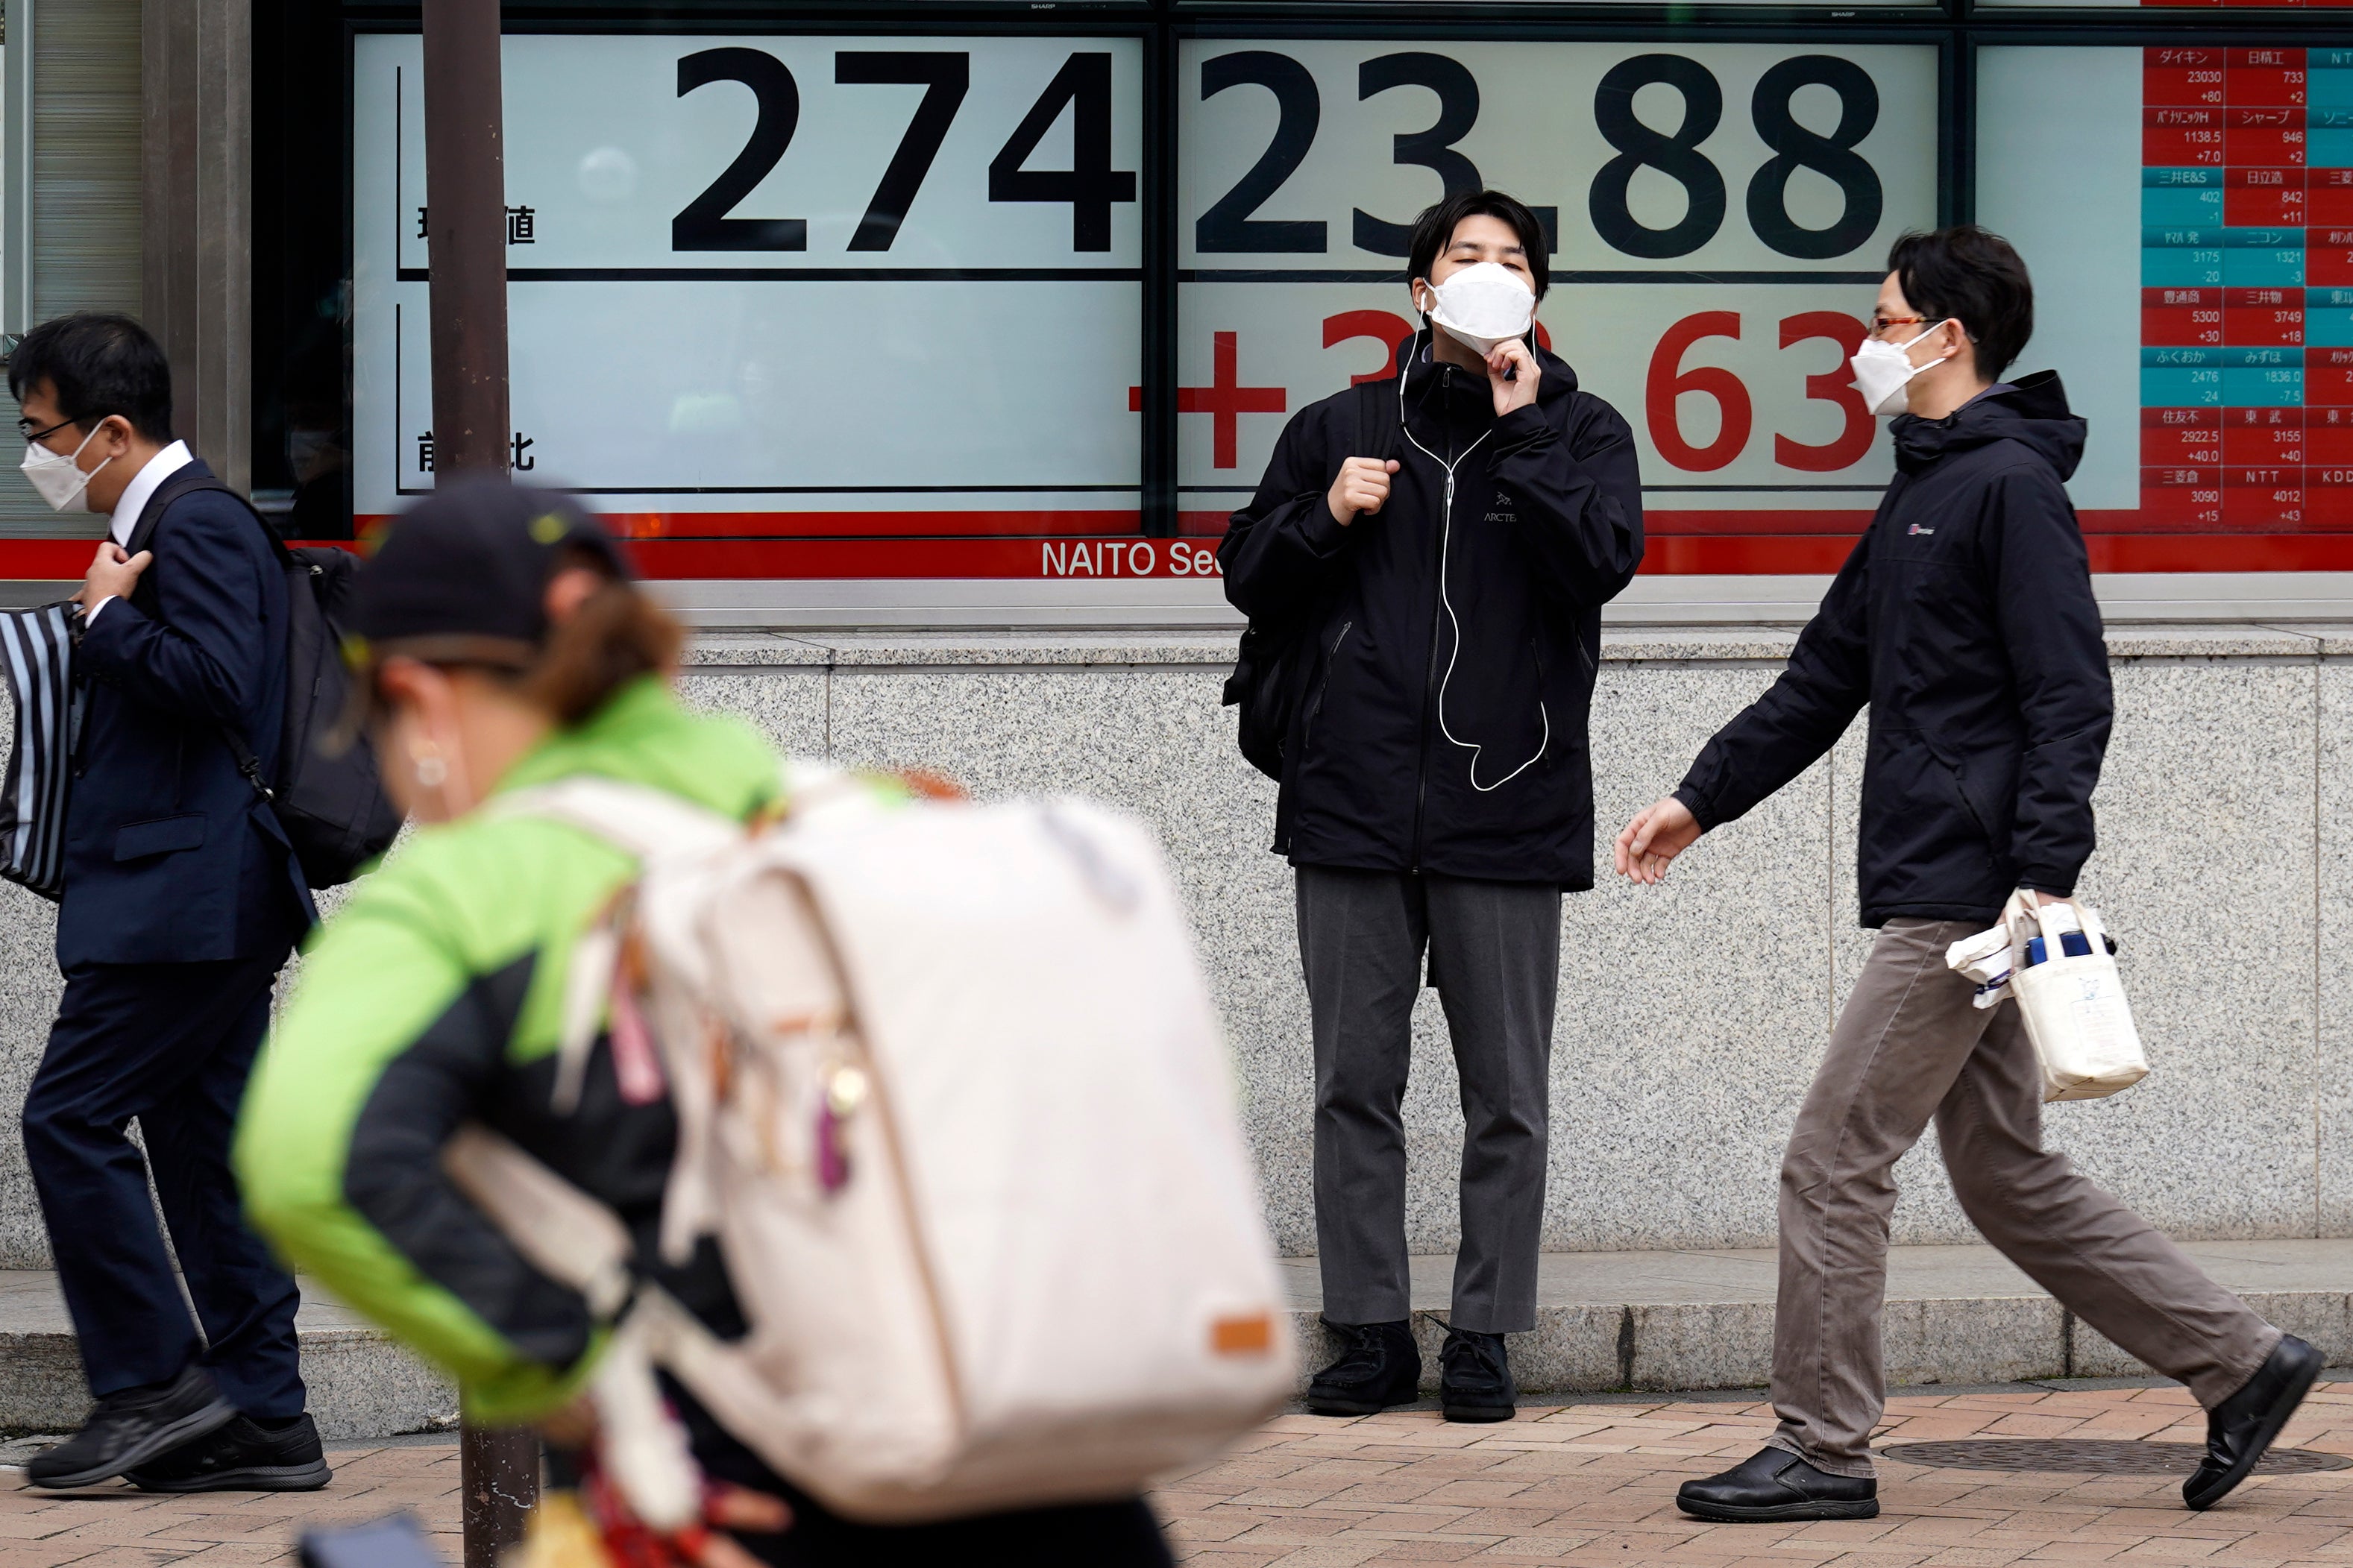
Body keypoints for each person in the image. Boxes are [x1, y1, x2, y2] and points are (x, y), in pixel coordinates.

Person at [234, 479, 1175, 1566]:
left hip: (747, 1484)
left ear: (417, 696)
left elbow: (311, 1162)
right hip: (1044, 1453)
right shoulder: (874, 811)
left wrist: (567, 1365)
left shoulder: (466, 892)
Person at [1614, 226, 2316, 1522]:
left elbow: (2070, 694)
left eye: (1883, 321)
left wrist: (2042, 876)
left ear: (1947, 336)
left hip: (1967, 900)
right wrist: (1699, 799)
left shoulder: (2009, 488)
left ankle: (1823, 1449)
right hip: (1959, 885)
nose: (1862, 347)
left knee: (1834, 1158)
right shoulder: (1925, 488)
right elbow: (1825, 675)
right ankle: (2243, 1363)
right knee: (2001, 1170)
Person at [1220, 190, 1644, 1423]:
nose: (1490, 272)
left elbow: (1603, 561)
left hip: (1507, 804)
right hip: (1351, 800)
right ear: (1422, 290)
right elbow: (1246, 573)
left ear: (1538, 297)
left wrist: (1522, 433)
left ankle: (1484, 1334)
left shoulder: (1582, 430)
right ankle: (1365, 1331)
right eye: (1467, 256)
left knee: (1506, 1094)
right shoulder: (1339, 427)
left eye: (1513, 260)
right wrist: (1325, 513)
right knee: (1354, 1084)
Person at [10, 313, 324, 1492]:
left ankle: (153, 1386)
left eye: (42, 432)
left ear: (111, 430)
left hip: (186, 906)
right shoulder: (165, 529)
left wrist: (104, 620)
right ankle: (265, 1418)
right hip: (189, 899)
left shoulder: (196, 525)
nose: (37, 457)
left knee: (68, 1118)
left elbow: (216, 679)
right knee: (205, 1155)